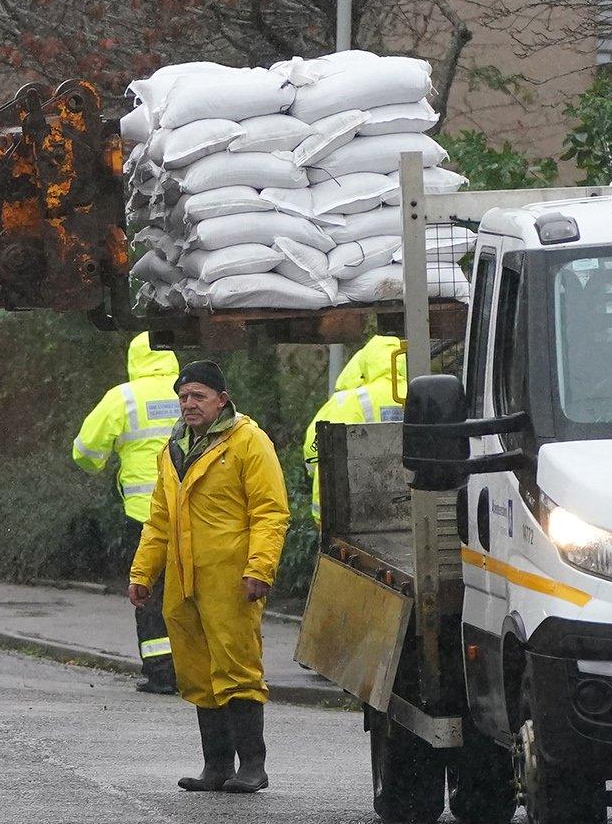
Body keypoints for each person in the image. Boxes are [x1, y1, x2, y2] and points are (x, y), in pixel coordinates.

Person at [128, 360, 290, 794]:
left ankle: (252, 766)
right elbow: (158, 520)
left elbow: (270, 512)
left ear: (222, 399)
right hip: (184, 582)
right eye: (183, 396)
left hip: (230, 579)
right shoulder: (173, 449)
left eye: (198, 395)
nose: (188, 404)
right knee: (198, 673)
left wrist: (259, 569)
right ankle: (216, 766)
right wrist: (143, 573)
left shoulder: (248, 442)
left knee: (238, 668)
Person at [73, 333, 182, 694]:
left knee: (149, 591)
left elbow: (86, 450)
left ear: (133, 360)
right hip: (197, 511)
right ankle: (198, 667)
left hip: (145, 514)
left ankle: (163, 673)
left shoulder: (123, 398)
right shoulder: (193, 391)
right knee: (194, 589)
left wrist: (103, 462)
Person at [301, 335, 405, 525]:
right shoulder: (425, 395)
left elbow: (312, 450)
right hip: (409, 509)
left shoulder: (347, 401)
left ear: (365, 363)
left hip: (345, 515)